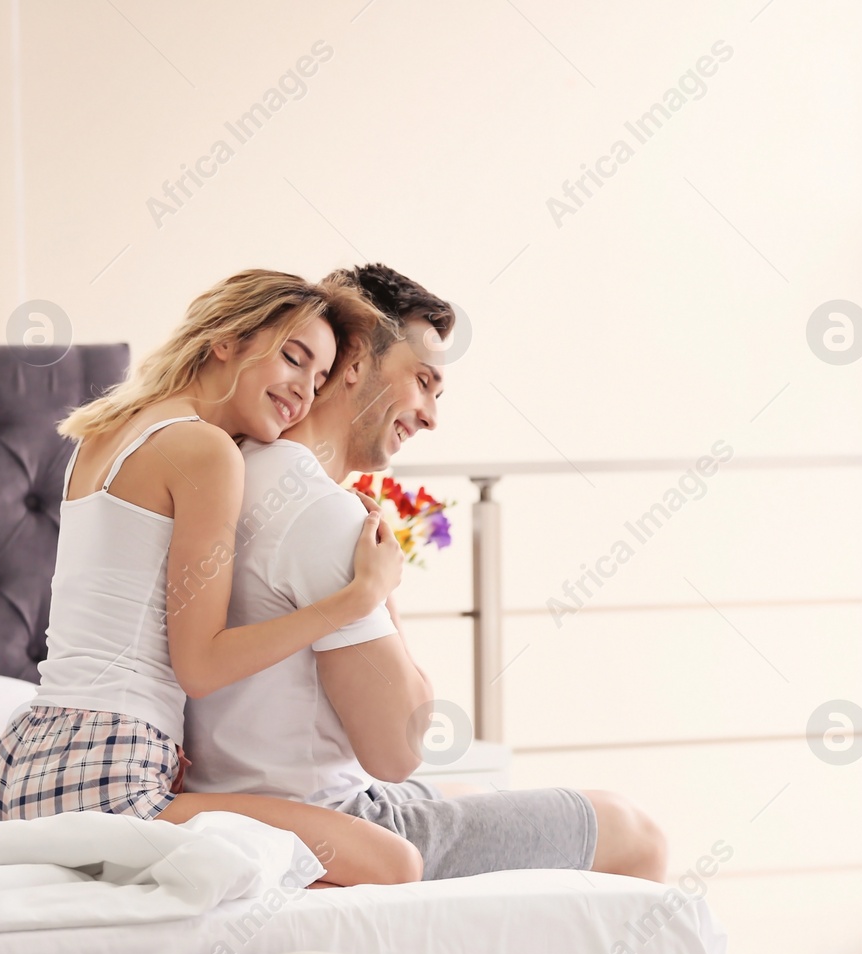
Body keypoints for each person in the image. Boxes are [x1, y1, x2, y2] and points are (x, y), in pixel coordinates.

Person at [184, 263, 667, 881]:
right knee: (635, 833)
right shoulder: (321, 513)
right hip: (330, 820)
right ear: (354, 358)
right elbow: (398, 750)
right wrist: (384, 593)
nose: (432, 415)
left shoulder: (239, 467)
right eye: (423, 381)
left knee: (471, 788)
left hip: (253, 798)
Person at [0, 269, 425, 886]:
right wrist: (360, 597)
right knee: (393, 863)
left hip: (20, 762)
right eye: (294, 360)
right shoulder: (207, 452)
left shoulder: (106, 431)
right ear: (226, 340)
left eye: (320, 378)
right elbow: (202, 665)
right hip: (107, 774)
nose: (304, 391)